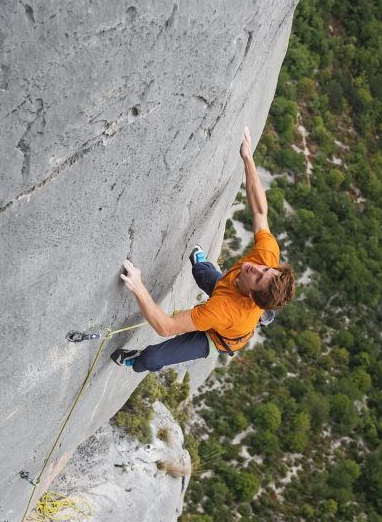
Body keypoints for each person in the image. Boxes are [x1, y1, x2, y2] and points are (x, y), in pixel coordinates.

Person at [111, 126, 295, 373]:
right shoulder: (266, 258)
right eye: (266, 270)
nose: (256, 267)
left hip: (220, 336)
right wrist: (248, 158)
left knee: (153, 358)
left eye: (259, 277)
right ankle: (202, 264)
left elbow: (165, 327)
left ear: (252, 297)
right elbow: (260, 211)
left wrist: (138, 286)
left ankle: (136, 359)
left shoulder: (226, 310)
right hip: (227, 291)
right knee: (202, 271)